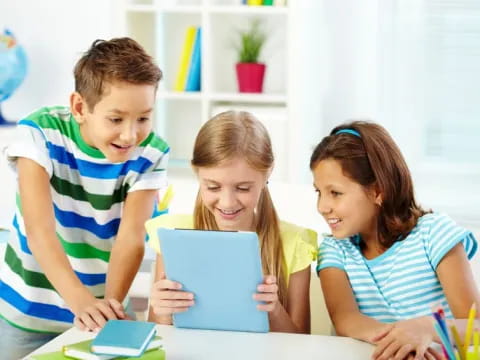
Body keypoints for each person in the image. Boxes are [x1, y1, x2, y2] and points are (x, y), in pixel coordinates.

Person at [0, 37, 169, 359]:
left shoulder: (152, 153)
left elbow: (131, 238)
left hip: (101, 305)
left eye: (143, 118)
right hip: (27, 311)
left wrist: (109, 307)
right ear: (80, 107)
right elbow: (39, 230)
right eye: (116, 119)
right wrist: (80, 302)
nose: (130, 135)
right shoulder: (39, 133)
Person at [312, 121, 480, 360]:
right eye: (318, 192)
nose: (322, 207)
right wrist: (402, 343)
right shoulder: (334, 249)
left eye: (335, 193)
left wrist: (424, 329)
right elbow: (345, 319)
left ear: (378, 191)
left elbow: (475, 326)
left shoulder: (434, 233)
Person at [148, 111, 317, 333]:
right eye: (213, 187)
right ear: (197, 173)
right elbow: (157, 332)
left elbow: (302, 343)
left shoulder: (295, 244)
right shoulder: (175, 236)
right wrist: (162, 310)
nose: (227, 202)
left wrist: (273, 309)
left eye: (243, 188)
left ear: (268, 172)